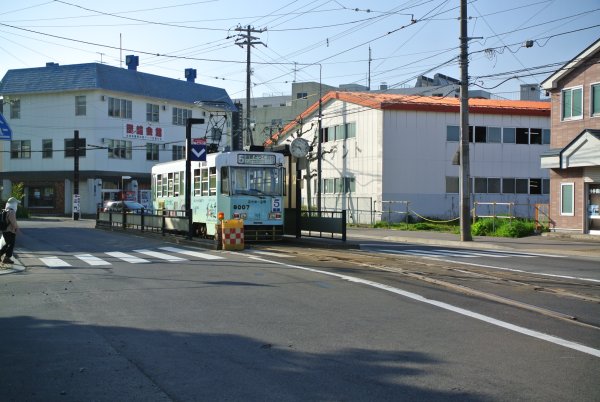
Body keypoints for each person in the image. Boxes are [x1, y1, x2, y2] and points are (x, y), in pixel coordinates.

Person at [0, 197, 20, 265]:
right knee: (11, 244)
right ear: (13, 204)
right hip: (10, 231)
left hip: (5, 230)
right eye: (16, 203)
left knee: (7, 244)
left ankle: (5, 257)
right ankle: (7, 258)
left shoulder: (5, 210)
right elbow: (13, 222)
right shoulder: (11, 211)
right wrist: (17, 229)